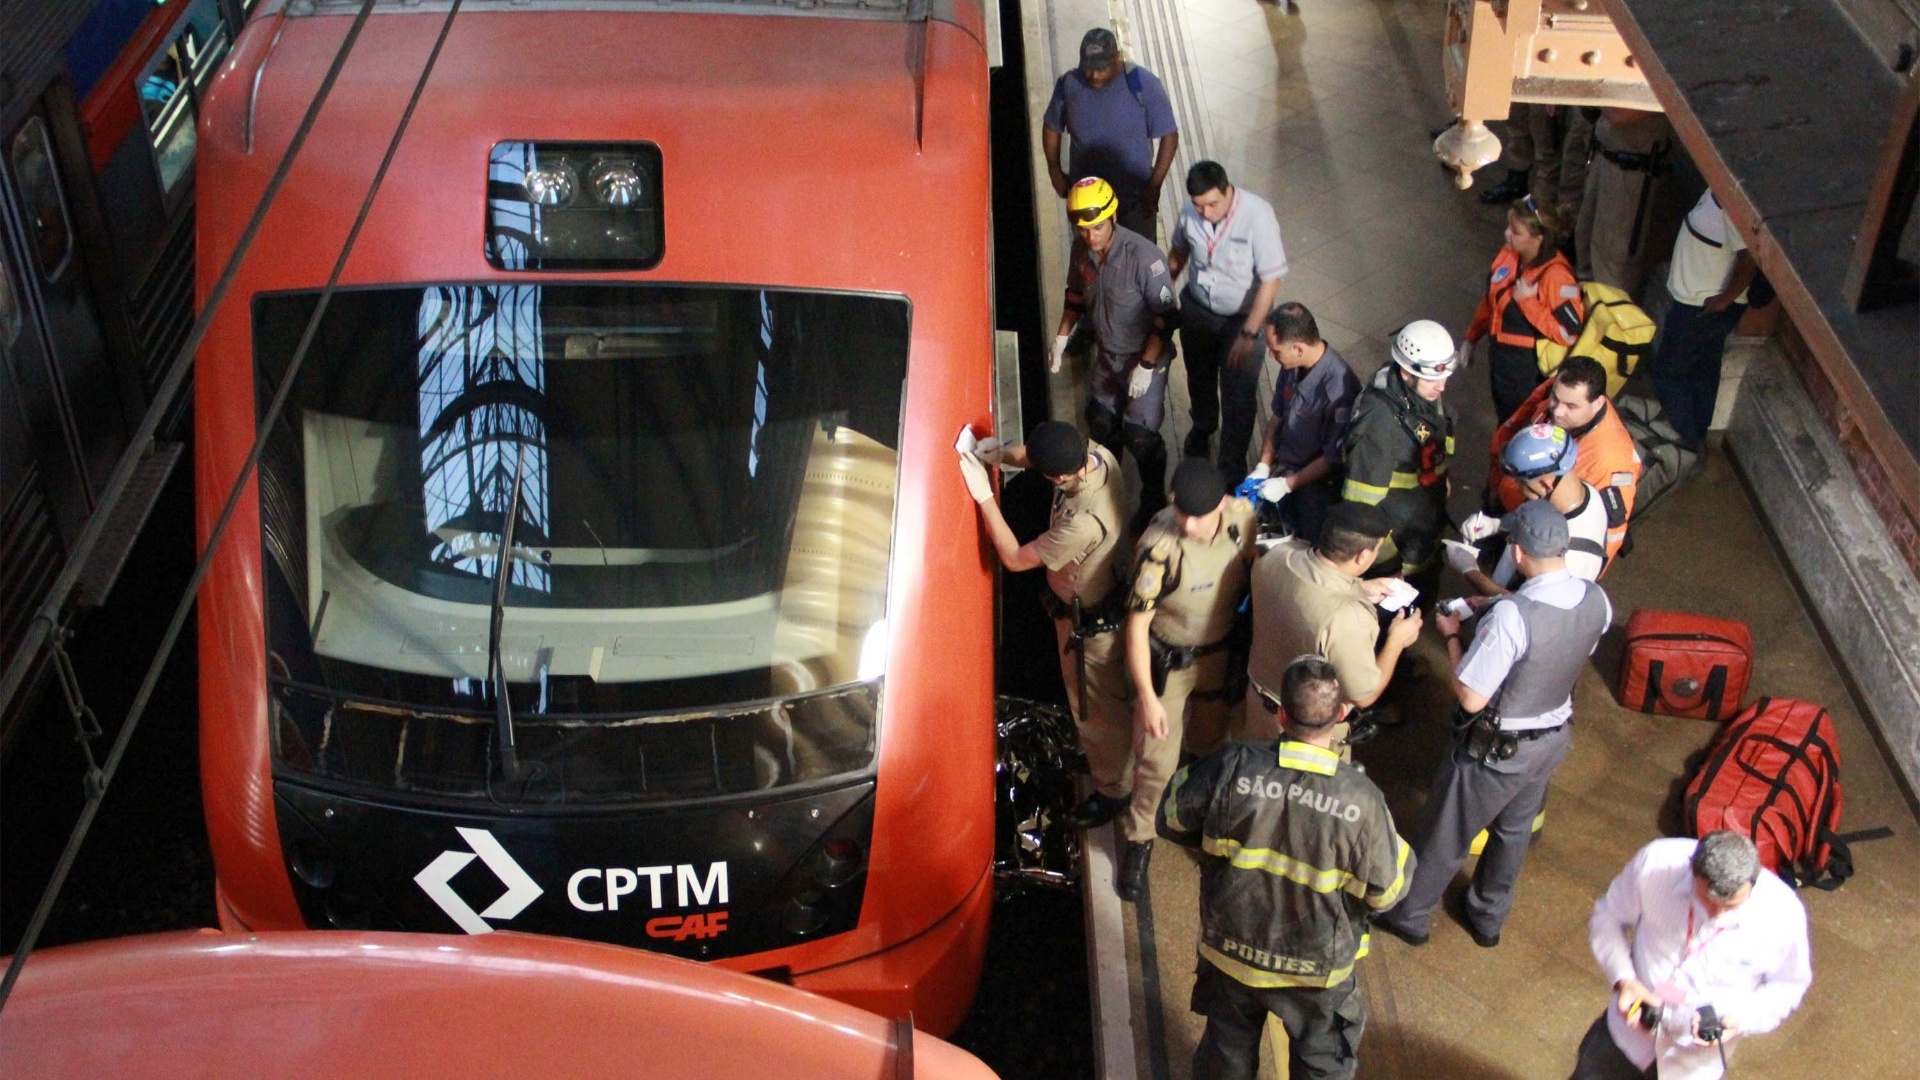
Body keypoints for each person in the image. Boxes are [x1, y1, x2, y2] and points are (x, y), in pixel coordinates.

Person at [1159, 655, 1415, 1080]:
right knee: (1322, 1066)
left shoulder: (1231, 765)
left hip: (1231, 951)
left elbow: (1170, 818)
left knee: (1226, 1057)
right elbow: (1388, 892)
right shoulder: (1362, 800)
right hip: (1316, 971)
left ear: (1280, 714)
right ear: (1340, 716)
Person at [1373, 499, 1611, 948]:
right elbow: (1561, 638)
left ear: (1518, 553)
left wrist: (1449, 635)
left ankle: (1410, 914)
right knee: (1514, 832)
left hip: (1497, 748)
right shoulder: (1597, 599)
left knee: (1447, 831)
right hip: (1552, 740)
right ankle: (1487, 915)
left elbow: (1469, 694)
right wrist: (1504, 604)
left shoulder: (1511, 618)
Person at [956, 422, 1134, 829]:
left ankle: (1115, 789)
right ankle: (1099, 754)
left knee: (1096, 706)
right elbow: (1033, 459)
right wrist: (999, 453)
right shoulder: (1097, 455)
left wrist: (985, 497)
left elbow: (1016, 558)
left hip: (1090, 626)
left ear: (1062, 477)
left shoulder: (1085, 522)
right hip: (1074, 606)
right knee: (1087, 705)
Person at [1118, 460, 1259, 901]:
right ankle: (1140, 838)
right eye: (1181, 512)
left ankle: (1188, 813)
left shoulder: (1242, 520)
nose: (1188, 523)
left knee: (1209, 743)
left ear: (1221, 505)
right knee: (1156, 759)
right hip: (1169, 662)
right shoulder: (1159, 547)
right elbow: (1137, 627)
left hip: (1218, 653)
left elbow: (1257, 567)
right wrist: (1148, 697)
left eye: (1198, 515)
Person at [1572, 831, 1812, 1080]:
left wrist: (1742, 1019)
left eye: (1730, 905)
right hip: (1622, 1041)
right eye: (1708, 900)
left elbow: (1788, 986)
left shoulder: (1784, 914)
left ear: (1754, 880)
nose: (1717, 914)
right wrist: (1624, 979)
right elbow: (1608, 916)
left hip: (1694, 1067)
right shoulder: (1656, 863)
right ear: (1692, 870)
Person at [1055, 176, 1179, 527]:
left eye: (1096, 227)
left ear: (1112, 217)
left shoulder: (1144, 258)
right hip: (1108, 354)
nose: (1090, 236)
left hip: (1143, 357)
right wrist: (1062, 336)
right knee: (1100, 422)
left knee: (1139, 436)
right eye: (1082, 229)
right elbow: (1075, 296)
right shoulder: (1083, 252)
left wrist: (1146, 365)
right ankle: (1108, 486)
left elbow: (1166, 318)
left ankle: (1153, 494)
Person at [1245, 503, 1421, 751]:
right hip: (1304, 731)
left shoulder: (1278, 555)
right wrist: (1396, 641)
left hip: (1256, 705)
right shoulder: (1348, 618)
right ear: (1362, 556)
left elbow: (1306, 590)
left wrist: (1357, 587)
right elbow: (1364, 695)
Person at [1166, 161, 1288, 478]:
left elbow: (1271, 279)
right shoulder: (1189, 212)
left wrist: (1249, 334)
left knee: (1238, 394)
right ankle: (1203, 427)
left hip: (1242, 320)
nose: (1205, 212)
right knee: (1199, 377)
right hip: (1198, 310)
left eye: (1212, 204)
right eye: (1198, 205)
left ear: (1228, 190)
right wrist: (1163, 294)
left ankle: (1231, 464)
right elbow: (1179, 252)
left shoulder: (1257, 217)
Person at [1341, 320, 1458, 601]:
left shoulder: (1418, 393)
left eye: (1445, 377)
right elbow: (1361, 509)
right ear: (1406, 372)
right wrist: (1388, 567)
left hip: (1422, 527)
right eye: (1433, 379)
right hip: (1398, 554)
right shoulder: (1379, 423)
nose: (1442, 387)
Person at [1487, 357, 1641, 563]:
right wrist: (1495, 483)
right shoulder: (1558, 390)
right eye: (1555, 400)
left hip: (1535, 543)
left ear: (1598, 403)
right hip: (1511, 511)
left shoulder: (1610, 460)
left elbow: (1608, 537)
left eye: (1571, 406)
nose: (1557, 411)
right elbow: (1513, 429)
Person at [1042, 27, 1179, 239]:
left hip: (1133, 205)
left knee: (1136, 263)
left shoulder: (1143, 84)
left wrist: (1154, 186)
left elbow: (1169, 136)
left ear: (1117, 58)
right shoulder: (1068, 84)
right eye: (1088, 68)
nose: (1094, 75)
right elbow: (1052, 126)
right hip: (1088, 207)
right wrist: (1054, 170)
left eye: (1101, 68)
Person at [1651, 190, 1757, 454]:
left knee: (1668, 373)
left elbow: (1750, 258)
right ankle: (1695, 436)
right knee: (1703, 371)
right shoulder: (1716, 190)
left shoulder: (1735, 209)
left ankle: (1683, 440)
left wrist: (1723, 300)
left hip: (1700, 309)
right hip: (1695, 304)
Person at [1462, 196, 1585, 422]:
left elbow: (1569, 332)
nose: (1506, 234)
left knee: (1517, 424)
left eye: (1515, 231)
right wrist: (1471, 338)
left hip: (1526, 372)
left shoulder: (1557, 278)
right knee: (1504, 418)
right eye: (1509, 226)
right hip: (1501, 362)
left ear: (1539, 238)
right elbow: (1490, 300)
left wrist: (1529, 303)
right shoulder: (1509, 256)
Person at [1245, 302, 1359, 544]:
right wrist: (1263, 465)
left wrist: (1287, 485)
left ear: (1298, 348)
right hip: (1283, 465)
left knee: (1306, 545)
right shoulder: (1292, 366)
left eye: (1276, 351)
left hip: (1314, 482)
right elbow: (1277, 416)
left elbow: (1331, 458)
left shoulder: (1339, 389)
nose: (1271, 357)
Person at [1452, 425, 1610, 593]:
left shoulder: (1572, 561)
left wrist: (1470, 571)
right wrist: (1497, 525)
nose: (1518, 488)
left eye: (1521, 482)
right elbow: (1535, 520)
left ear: (1545, 484)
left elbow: (1524, 609)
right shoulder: (1580, 492)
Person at [1575, 108, 1674, 300]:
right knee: (1583, 237)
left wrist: (1593, 94)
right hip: (1605, 155)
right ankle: (1587, 309)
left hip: (1631, 172)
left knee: (1613, 258)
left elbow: (1619, 115)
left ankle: (1611, 323)